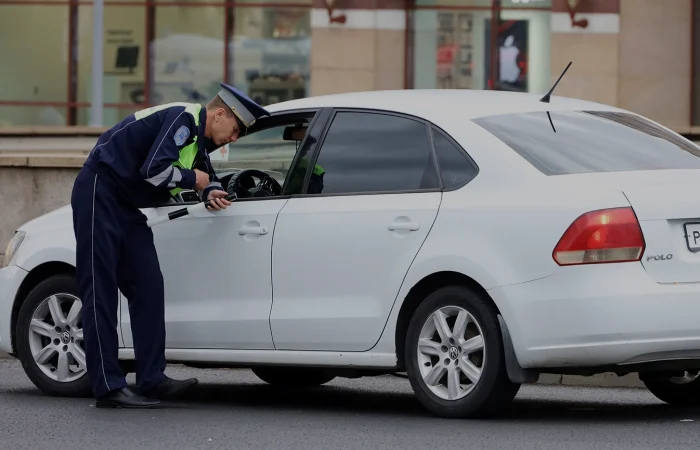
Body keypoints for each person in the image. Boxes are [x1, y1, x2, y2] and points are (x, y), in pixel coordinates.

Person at [70, 83, 270, 409]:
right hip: (99, 190)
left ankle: (151, 379)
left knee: (148, 285)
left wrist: (210, 192)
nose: (233, 139)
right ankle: (108, 387)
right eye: (235, 130)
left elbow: (206, 174)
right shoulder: (183, 118)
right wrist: (195, 181)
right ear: (219, 113)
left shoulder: (198, 141)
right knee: (100, 290)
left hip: (126, 205)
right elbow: (154, 170)